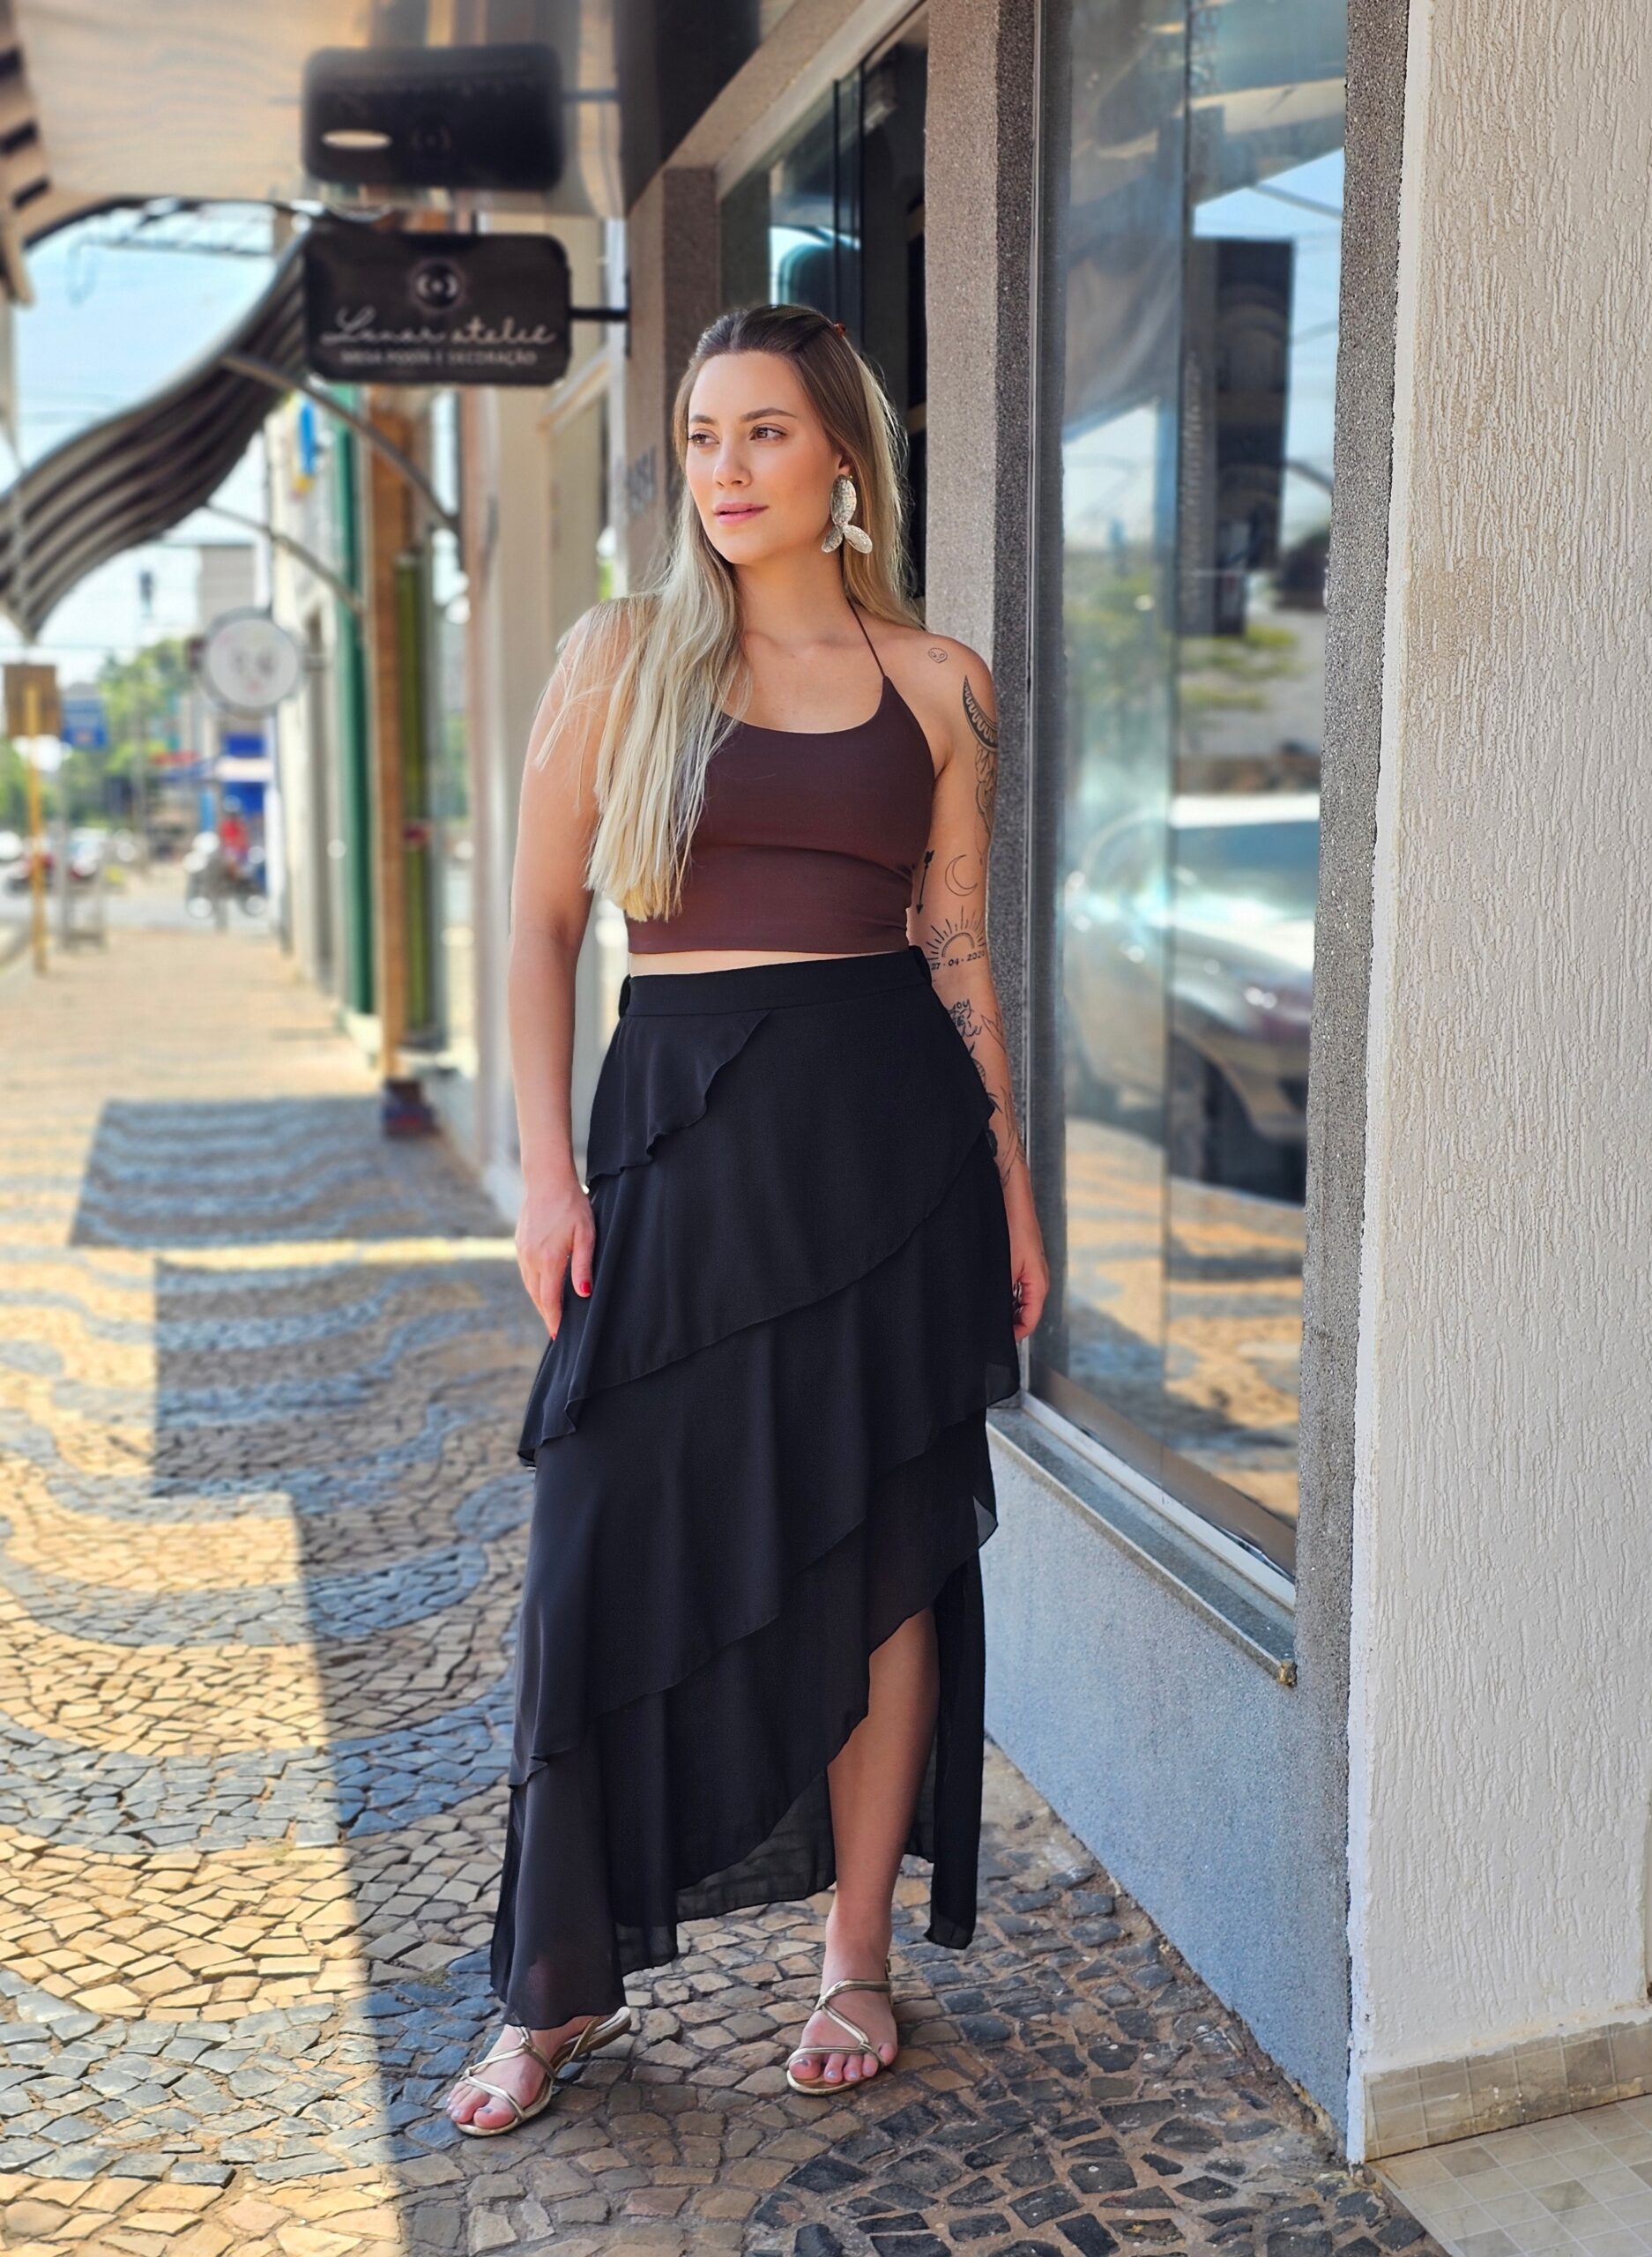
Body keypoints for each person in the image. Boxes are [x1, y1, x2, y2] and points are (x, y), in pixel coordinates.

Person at [444, 302, 1050, 2136]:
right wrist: (548, 1173)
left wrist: (1013, 1185)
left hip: (890, 1161)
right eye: (703, 437)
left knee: (882, 1552)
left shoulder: (940, 683)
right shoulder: (619, 656)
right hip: (677, 1151)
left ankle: (855, 1952)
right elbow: (542, 924)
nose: (725, 469)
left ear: (843, 458)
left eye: (764, 432)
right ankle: (556, 1983)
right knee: (595, 1551)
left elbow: (957, 946)